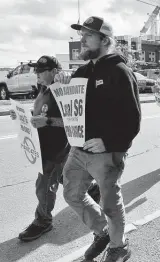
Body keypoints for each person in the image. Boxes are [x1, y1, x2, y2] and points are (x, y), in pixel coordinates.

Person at [56, 16, 141, 262]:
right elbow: (72, 109)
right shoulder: (81, 71)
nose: (81, 40)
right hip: (79, 149)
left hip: (106, 152)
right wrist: (61, 88)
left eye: (87, 35)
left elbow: (132, 119)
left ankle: (119, 245)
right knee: (72, 193)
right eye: (81, 35)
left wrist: (109, 142)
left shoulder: (119, 71)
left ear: (105, 40)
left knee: (110, 203)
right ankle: (104, 231)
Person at [10, 56, 100, 242]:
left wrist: (48, 121)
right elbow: (41, 114)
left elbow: (75, 121)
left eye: (41, 71)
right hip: (45, 147)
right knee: (63, 177)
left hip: (56, 150)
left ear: (54, 72)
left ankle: (43, 221)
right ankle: (92, 189)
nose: (37, 74)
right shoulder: (43, 89)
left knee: (43, 187)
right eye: (36, 70)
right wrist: (23, 115)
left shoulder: (65, 91)